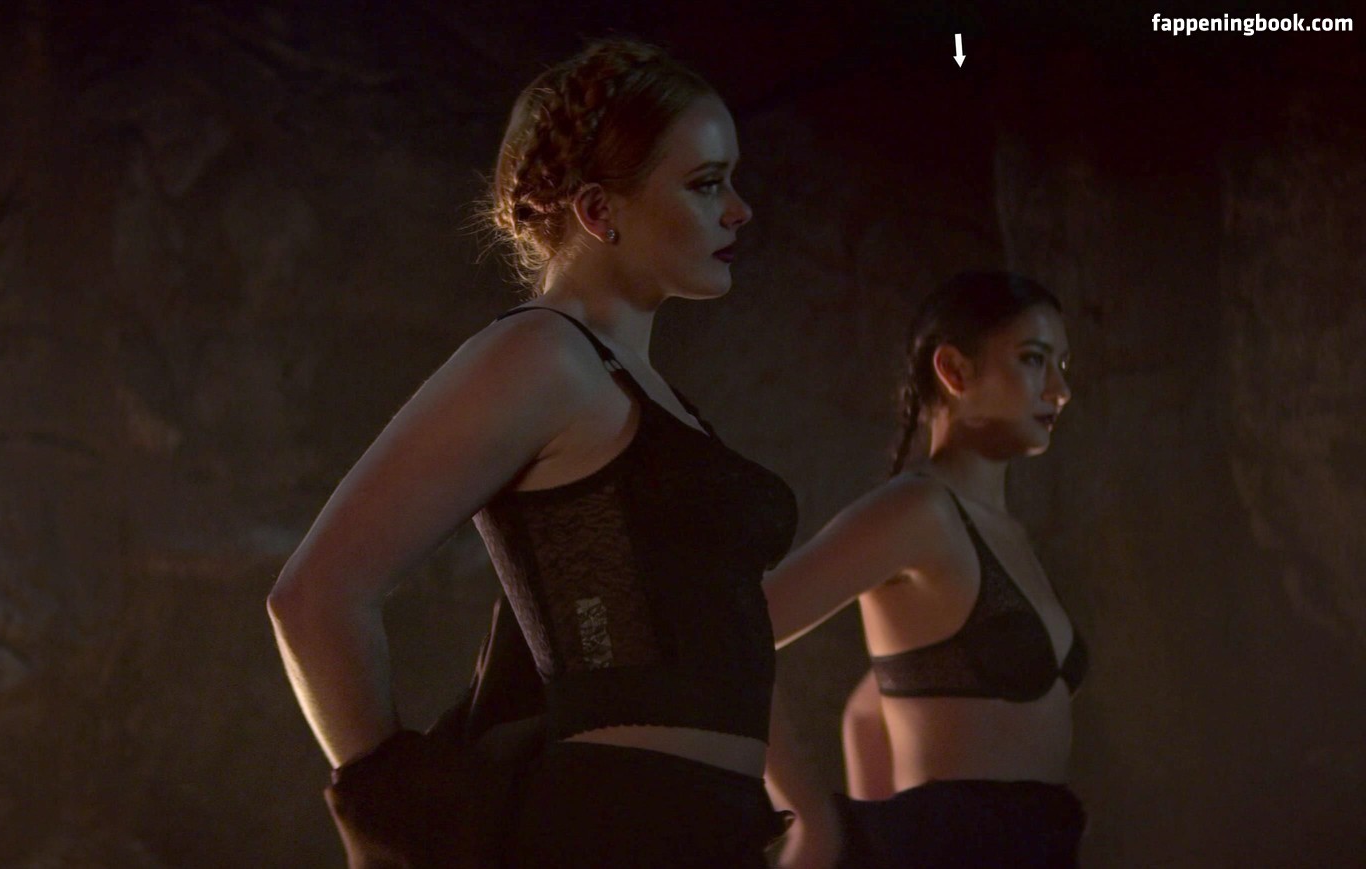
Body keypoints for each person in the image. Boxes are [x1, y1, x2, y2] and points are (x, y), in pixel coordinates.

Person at [268, 38, 796, 867]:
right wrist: (405, 820)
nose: (740, 210)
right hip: (606, 836)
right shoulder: (541, 356)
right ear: (597, 210)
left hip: (701, 834)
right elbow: (315, 596)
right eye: (706, 183)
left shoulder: (638, 386)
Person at [763, 271, 1086, 868]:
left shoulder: (1006, 533)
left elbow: (872, 708)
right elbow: (731, 633)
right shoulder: (920, 509)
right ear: (955, 371)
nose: (1060, 390)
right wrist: (811, 818)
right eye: (1034, 359)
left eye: (1062, 365)